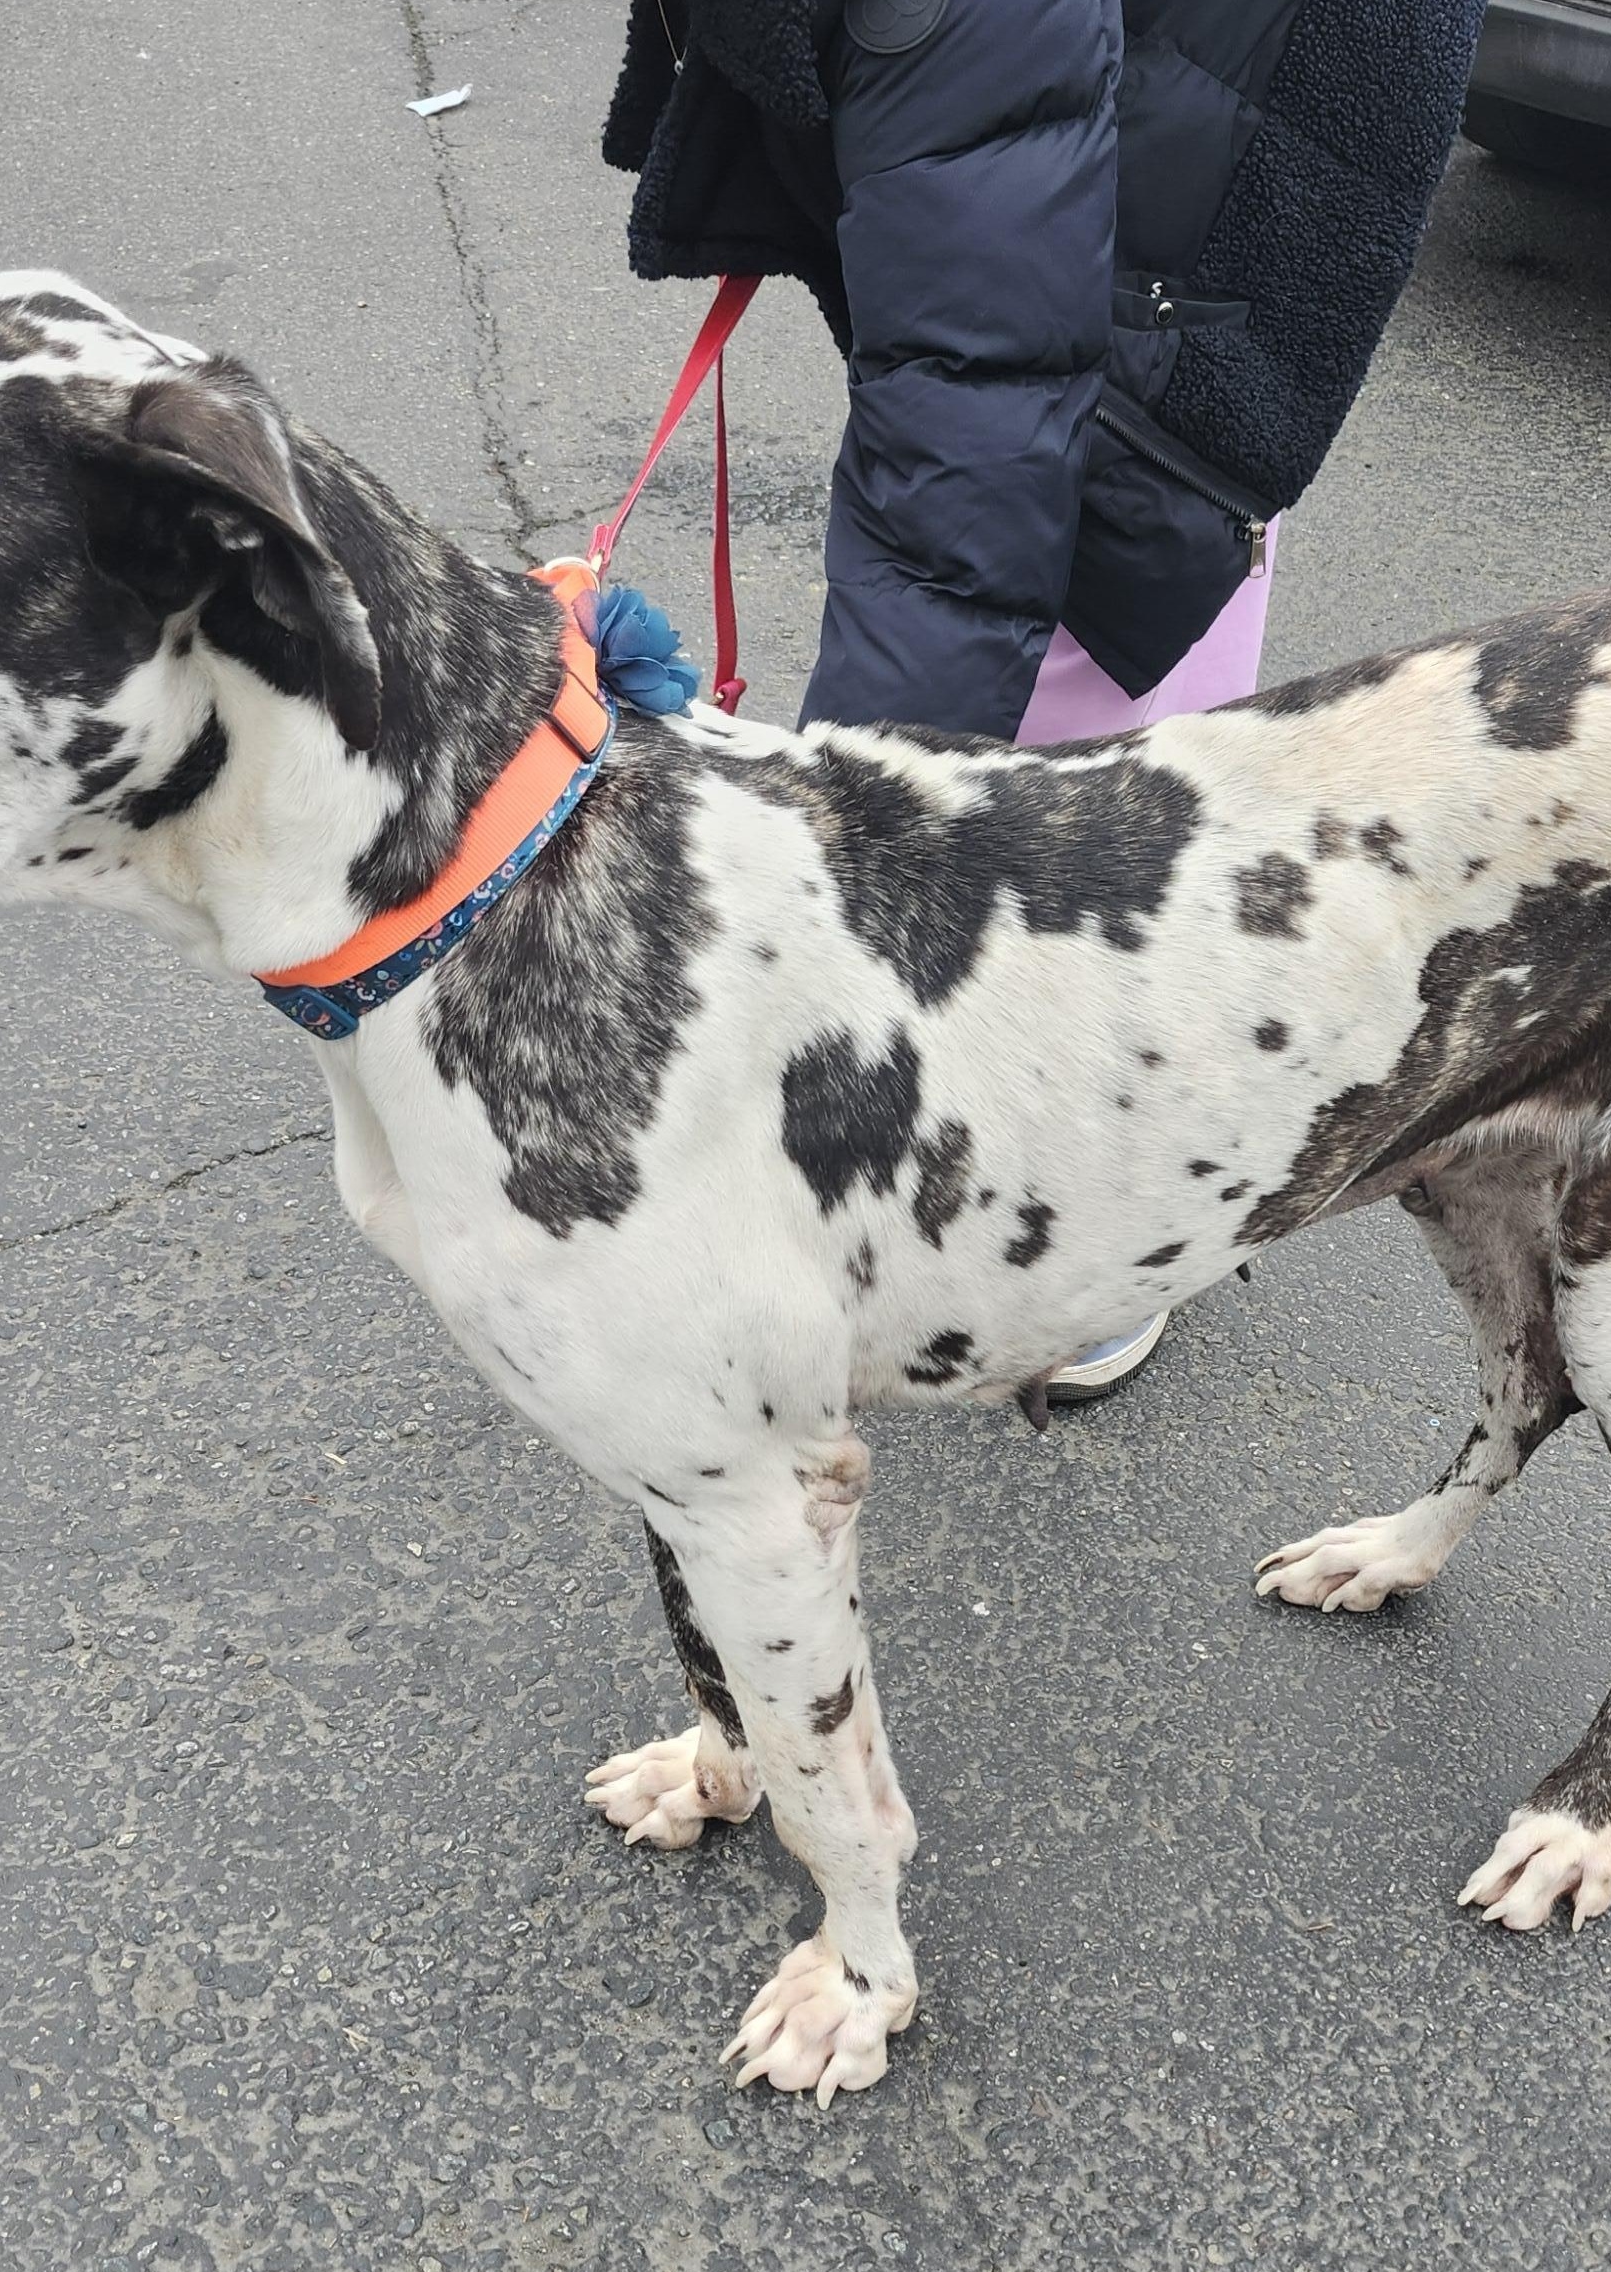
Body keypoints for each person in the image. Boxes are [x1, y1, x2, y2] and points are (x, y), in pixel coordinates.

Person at [605, 0, 1483, 1393]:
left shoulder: (973, 37)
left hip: (1156, 366)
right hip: (1185, 264)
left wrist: (830, 868)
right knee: (1108, 747)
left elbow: (970, 438)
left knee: (1074, 827)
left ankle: (1094, 1243)